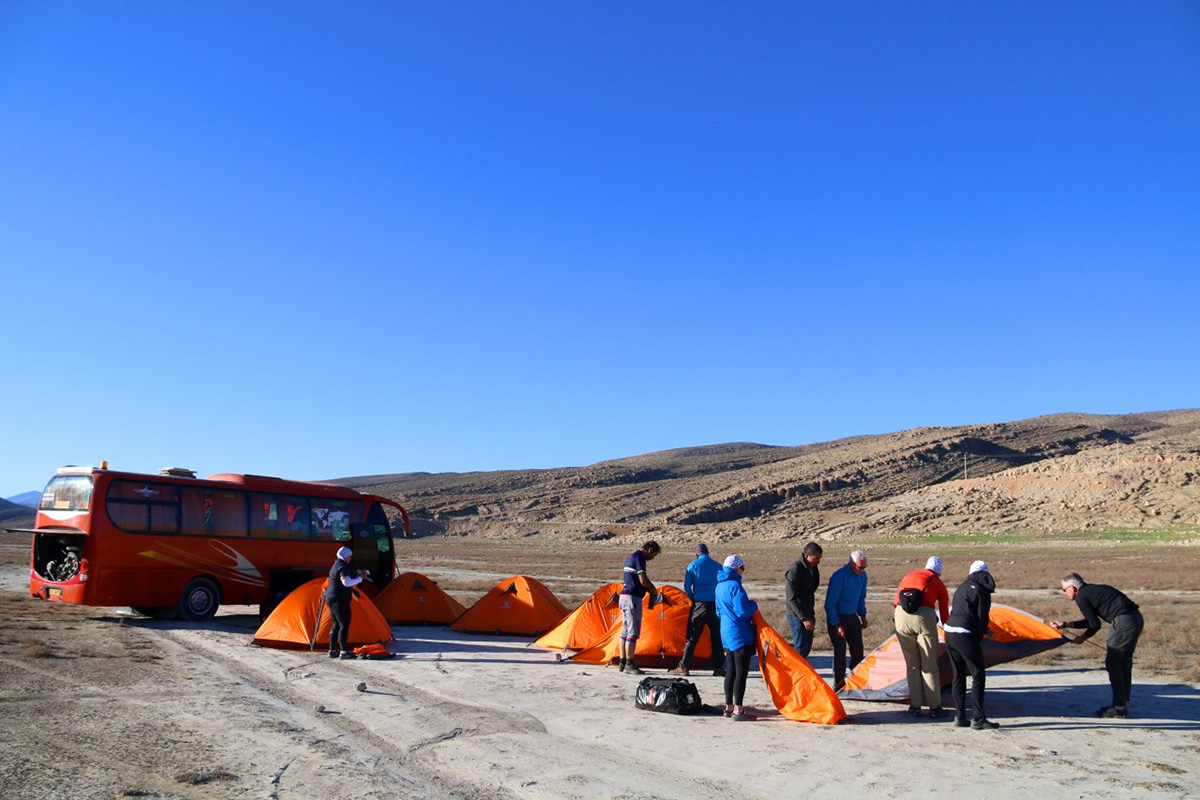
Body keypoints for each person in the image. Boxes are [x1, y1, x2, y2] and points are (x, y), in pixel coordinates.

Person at [1050, 573, 1144, 718]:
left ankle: (1119, 708)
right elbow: (1091, 621)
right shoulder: (1091, 590)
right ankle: (1122, 702)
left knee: (1113, 663)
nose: (1065, 593)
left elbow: (1094, 625)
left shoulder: (1081, 596)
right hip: (1135, 618)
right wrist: (1066, 624)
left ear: (1073, 588)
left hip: (1124, 622)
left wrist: (1082, 637)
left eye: (1064, 590)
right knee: (1123, 662)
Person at [893, 556, 950, 718]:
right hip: (924, 618)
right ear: (938, 571)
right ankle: (934, 707)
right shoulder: (937, 582)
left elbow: (896, 601)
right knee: (929, 665)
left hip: (901, 617)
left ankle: (915, 706)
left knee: (912, 665)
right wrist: (945, 627)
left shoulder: (909, 576)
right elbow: (944, 610)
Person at [944, 560, 997, 729]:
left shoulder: (962, 587)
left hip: (949, 631)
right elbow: (982, 618)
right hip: (964, 634)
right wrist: (982, 634)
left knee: (958, 674)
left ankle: (960, 717)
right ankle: (979, 718)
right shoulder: (983, 591)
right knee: (978, 674)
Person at [715, 554, 759, 721]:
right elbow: (743, 611)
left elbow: (718, 612)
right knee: (741, 673)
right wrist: (754, 605)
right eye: (742, 568)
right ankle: (739, 710)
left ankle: (728, 707)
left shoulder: (719, 586)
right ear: (736, 569)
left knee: (731, 671)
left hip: (726, 633)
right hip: (740, 633)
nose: (743, 572)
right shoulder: (735, 586)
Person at [670, 543, 724, 677]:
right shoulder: (718, 566)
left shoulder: (693, 565)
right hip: (715, 605)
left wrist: (692, 598)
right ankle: (718, 668)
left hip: (699, 605)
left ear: (697, 553)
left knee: (692, 637)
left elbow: (687, 586)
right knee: (716, 638)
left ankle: (684, 666)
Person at [824, 550, 869, 690]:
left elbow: (861, 598)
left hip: (852, 616)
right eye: (859, 567)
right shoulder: (839, 577)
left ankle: (855, 680)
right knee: (840, 651)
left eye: (864, 567)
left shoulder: (863, 576)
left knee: (858, 650)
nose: (862, 570)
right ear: (851, 564)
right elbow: (829, 604)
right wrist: (837, 625)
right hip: (838, 617)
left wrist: (862, 615)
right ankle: (838, 684)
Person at [618, 541, 660, 675]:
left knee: (625, 631)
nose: (653, 558)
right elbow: (642, 579)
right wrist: (652, 589)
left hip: (623, 597)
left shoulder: (630, 557)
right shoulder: (639, 559)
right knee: (633, 631)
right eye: (654, 555)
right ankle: (630, 663)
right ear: (649, 549)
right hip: (632, 598)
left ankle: (622, 661)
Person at [325, 546, 369, 659]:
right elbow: (346, 582)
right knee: (344, 624)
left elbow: (349, 583)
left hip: (331, 597)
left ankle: (332, 650)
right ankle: (344, 652)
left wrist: (359, 577)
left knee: (336, 624)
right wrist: (360, 579)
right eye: (349, 556)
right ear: (345, 556)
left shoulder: (336, 564)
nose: (350, 558)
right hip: (339, 598)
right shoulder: (343, 566)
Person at [784, 542, 823, 658]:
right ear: (807, 556)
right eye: (816, 558)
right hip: (797, 615)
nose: (818, 561)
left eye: (819, 558)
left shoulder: (812, 567)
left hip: (808, 611)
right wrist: (804, 618)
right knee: (800, 647)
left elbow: (812, 587)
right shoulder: (795, 570)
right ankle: (792, 674)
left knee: (806, 647)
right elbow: (791, 598)